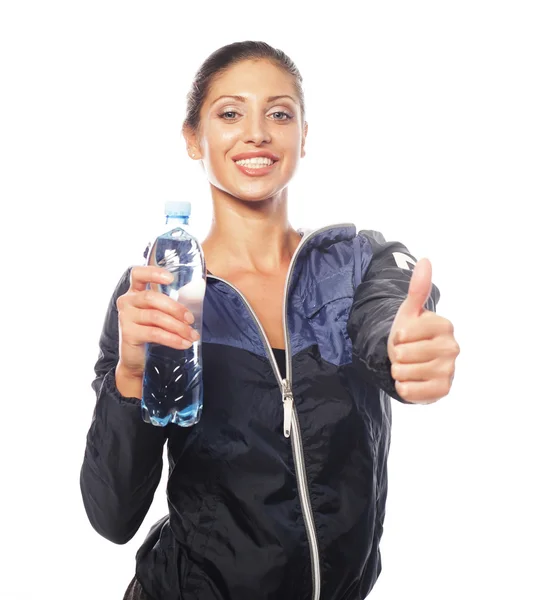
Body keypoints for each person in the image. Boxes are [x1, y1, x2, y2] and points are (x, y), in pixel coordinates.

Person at [80, 41, 460, 600]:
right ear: (193, 138)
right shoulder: (157, 293)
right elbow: (112, 517)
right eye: (230, 113)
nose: (256, 132)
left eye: (279, 113)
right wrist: (132, 378)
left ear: (304, 136)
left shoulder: (360, 263)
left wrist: (405, 352)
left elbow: (388, 320)